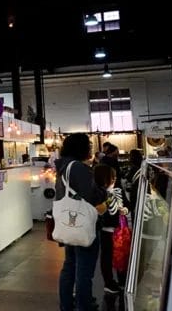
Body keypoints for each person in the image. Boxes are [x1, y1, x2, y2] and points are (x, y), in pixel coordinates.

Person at [56, 133, 108, 311]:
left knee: (70, 265)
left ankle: (66, 305)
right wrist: (104, 191)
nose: (91, 148)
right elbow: (91, 196)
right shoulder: (77, 167)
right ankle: (84, 305)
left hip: (69, 224)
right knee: (84, 270)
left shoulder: (63, 166)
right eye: (89, 145)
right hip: (84, 225)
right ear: (81, 147)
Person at [93, 164, 128, 295]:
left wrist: (125, 209)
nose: (114, 179)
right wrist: (109, 201)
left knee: (122, 254)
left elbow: (127, 203)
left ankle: (123, 280)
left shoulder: (118, 189)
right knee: (107, 256)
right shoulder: (98, 192)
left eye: (115, 177)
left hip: (121, 228)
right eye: (111, 177)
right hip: (106, 230)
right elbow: (99, 211)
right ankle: (109, 282)